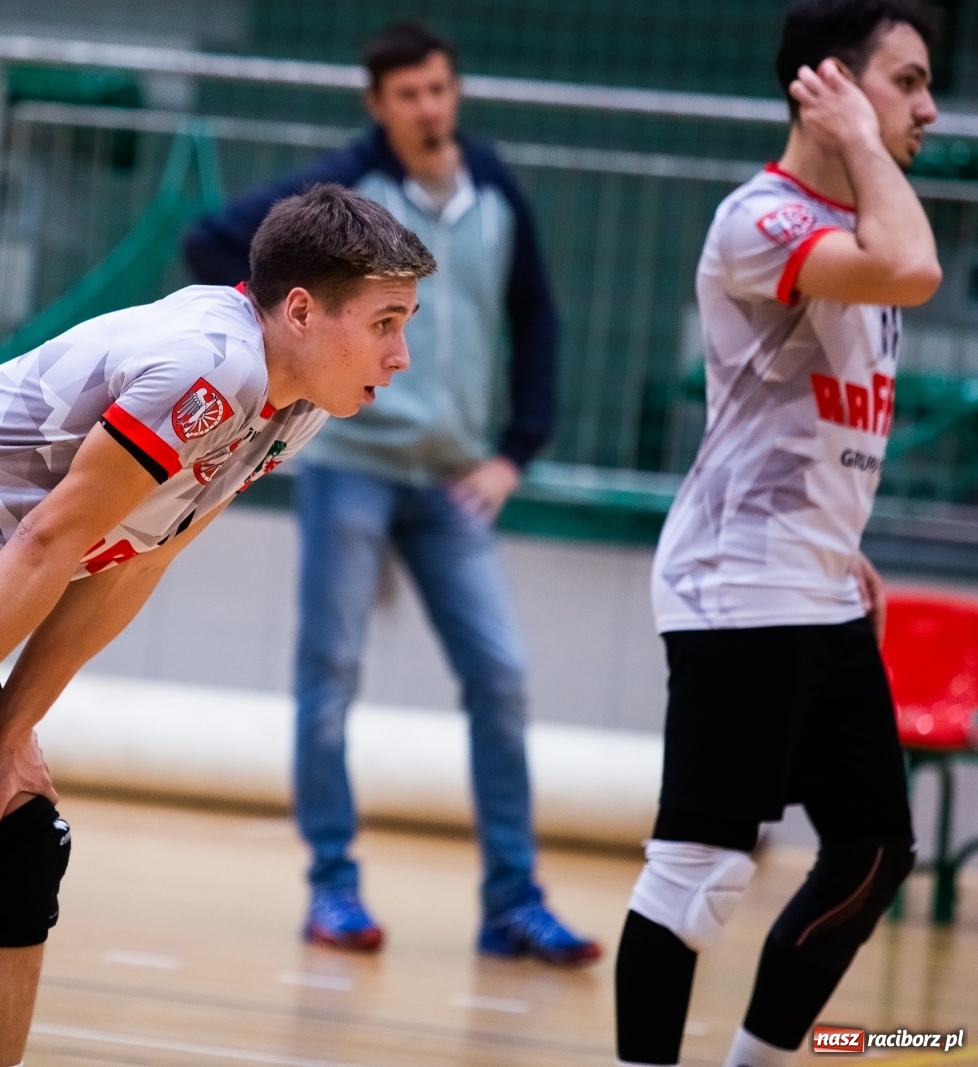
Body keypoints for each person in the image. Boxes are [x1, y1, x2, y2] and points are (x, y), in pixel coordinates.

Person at [0, 184, 434, 1067]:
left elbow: (138, 558)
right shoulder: (212, 368)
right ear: (300, 310)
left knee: (21, 843)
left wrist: (12, 729)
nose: (401, 353)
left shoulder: (300, 405)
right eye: (386, 322)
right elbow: (46, 542)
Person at [184, 22, 596, 963]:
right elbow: (207, 240)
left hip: (454, 481)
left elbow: (538, 318)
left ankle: (512, 903)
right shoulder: (343, 197)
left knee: (501, 677)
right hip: (350, 468)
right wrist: (273, 384)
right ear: (378, 105)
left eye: (440, 89)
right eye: (408, 94)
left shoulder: (494, 192)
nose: (429, 108)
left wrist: (517, 450)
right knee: (328, 680)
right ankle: (333, 889)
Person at [614, 3, 942, 1065]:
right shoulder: (759, 219)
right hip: (737, 582)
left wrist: (839, 535)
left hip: (816, 579)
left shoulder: (853, 226)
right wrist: (855, 138)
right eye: (906, 80)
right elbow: (912, 268)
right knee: (700, 865)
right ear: (831, 84)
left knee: (872, 850)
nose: (929, 107)